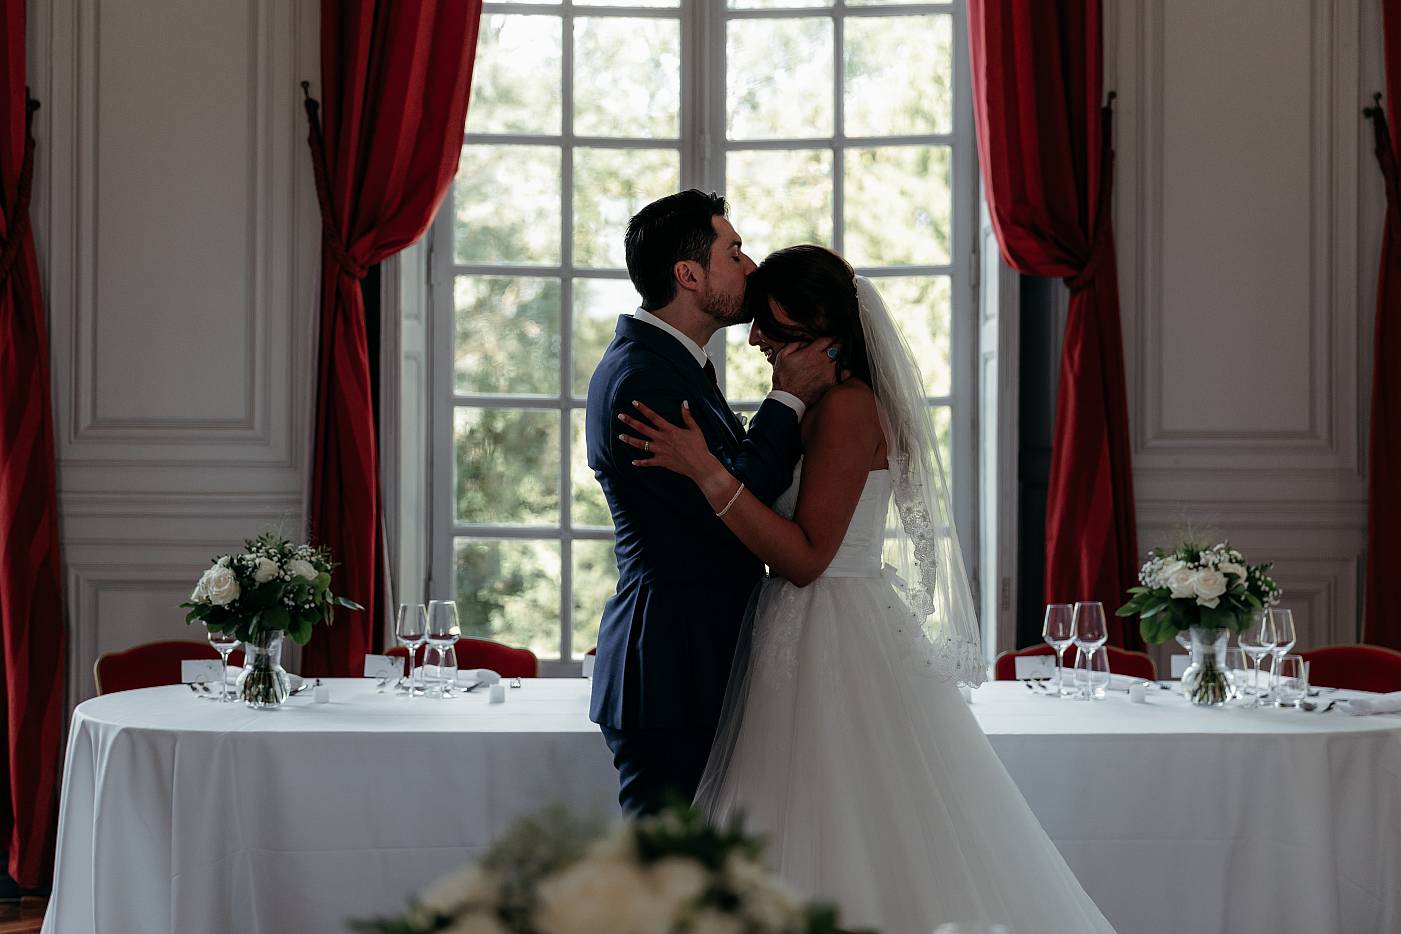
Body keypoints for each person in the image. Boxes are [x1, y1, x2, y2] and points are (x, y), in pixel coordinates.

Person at [616, 244, 1118, 934]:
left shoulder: (848, 409)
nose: (756, 338)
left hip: (832, 629)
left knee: (848, 826)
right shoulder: (812, 405)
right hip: (793, 630)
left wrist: (707, 474)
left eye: (774, 326)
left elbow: (807, 557)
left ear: (823, 331)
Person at [585, 192, 838, 816]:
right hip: (673, 663)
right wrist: (786, 398)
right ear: (688, 275)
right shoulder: (644, 379)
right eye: (734, 251)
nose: (750, 267)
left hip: (694, 656)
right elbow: (730, 510)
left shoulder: (673, 365)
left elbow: (724, 483)